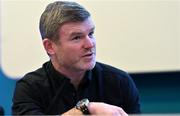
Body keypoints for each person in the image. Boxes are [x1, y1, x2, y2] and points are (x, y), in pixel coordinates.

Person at [12, 1, 140, 115]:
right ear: (50, 46)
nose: (90, 44)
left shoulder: (119, 82)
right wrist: (87, 109)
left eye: (91, 33)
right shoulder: (29, 89)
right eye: (77, 37)